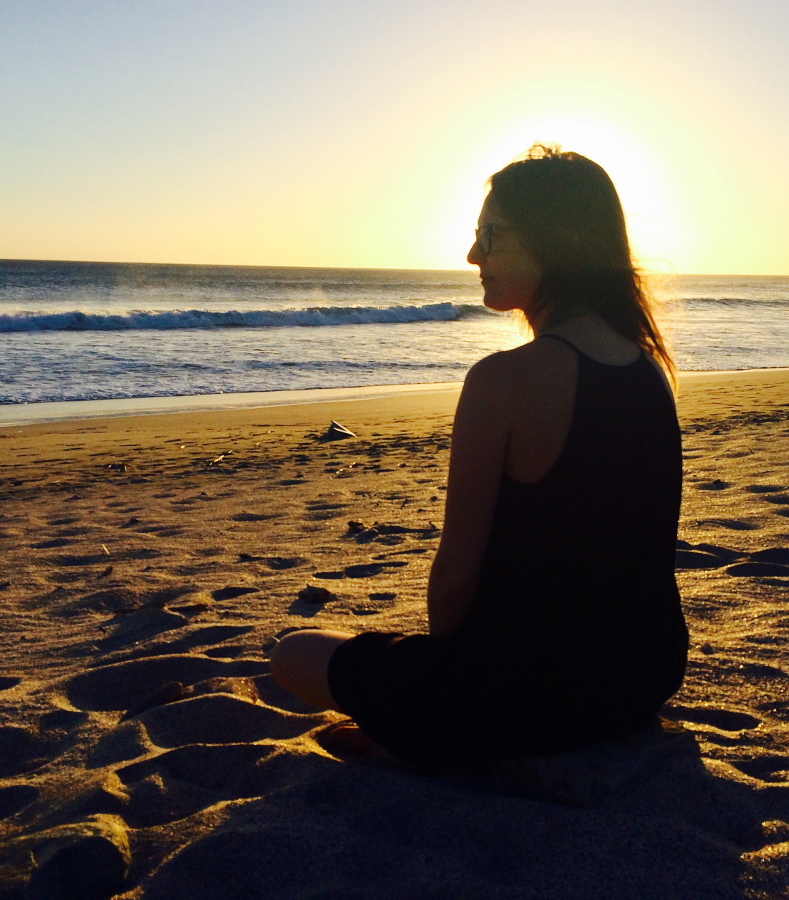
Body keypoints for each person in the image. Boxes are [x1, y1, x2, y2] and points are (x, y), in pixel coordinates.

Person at [270, 145, 687, 768]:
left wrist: (442, 693)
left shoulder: (504, 380)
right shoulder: (649, 369)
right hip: (640, 679)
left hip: (527, 700)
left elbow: (456, 574)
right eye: (476, 236)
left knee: (293, 654)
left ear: (562, 241)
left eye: (493, 236)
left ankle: (430, 744)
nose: (474, 256)